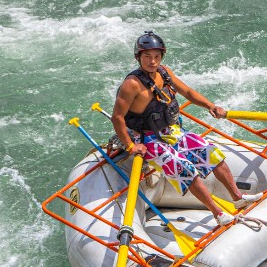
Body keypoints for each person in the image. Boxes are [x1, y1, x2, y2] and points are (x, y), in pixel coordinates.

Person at [110, 31, 258, 227]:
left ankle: (238, 197)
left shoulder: (164, 72)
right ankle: (218, 214)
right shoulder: (132, 85)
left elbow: (187, 91)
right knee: (183, 167)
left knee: (211, 152)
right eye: (147, 56)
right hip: (145, 139)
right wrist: (130, 147)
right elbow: (117, 117)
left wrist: (211, 106)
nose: (152, 61)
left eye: (156, 56)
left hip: (169, 131)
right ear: (138, 57)